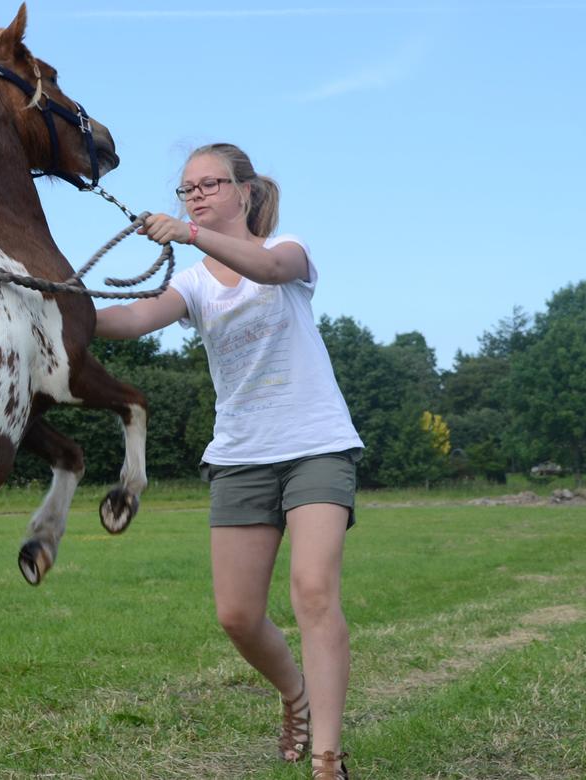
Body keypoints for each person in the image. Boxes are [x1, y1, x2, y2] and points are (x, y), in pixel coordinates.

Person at [94, 143, 362, 780]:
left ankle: (328, 757)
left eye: (210, 183)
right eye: (187, 189)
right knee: (237, 615)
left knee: (314, 593)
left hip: (316, 444)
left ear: (245, 192)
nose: (197, 195)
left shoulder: (288, 250)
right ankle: (294, 693)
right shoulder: (190, 283)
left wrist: (190, 235)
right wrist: (55, 313)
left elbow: (267, 269)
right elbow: (132, 320)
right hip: (241, 456)